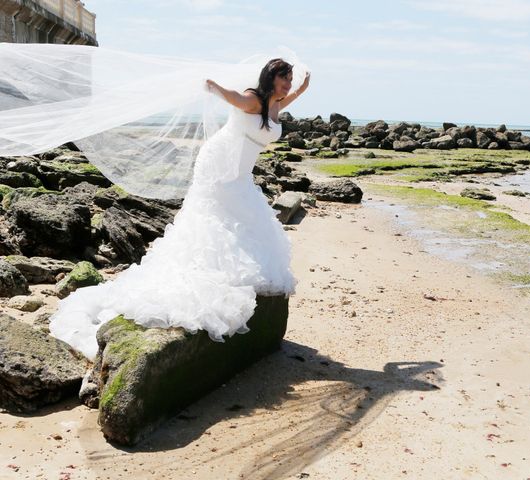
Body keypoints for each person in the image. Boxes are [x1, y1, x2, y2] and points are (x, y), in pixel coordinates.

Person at [0, 43, 310, 360]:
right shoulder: (251, 99)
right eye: (283, 78)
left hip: (239, 170)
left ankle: (228, 273)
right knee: (219, 214)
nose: (287, 84)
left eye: (289, 80)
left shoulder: (275, 103)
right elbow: (229, 96)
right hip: (220, 164)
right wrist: (212, 85)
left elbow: (281, 108)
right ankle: (210, 272)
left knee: (243, 213)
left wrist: (302, 88)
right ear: (270, 78)